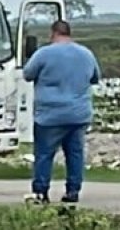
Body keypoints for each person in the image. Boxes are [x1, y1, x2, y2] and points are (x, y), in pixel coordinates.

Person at [23, 20, 102, 204]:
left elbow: (27, 74)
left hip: (50, 115)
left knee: (44, 155)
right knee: (75, 154)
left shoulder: (43, 53)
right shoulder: (86, 54)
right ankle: (73, 191)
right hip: (78, 114)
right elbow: (95, 77)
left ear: (53, 33)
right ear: (69, 33)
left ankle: (41, 192)